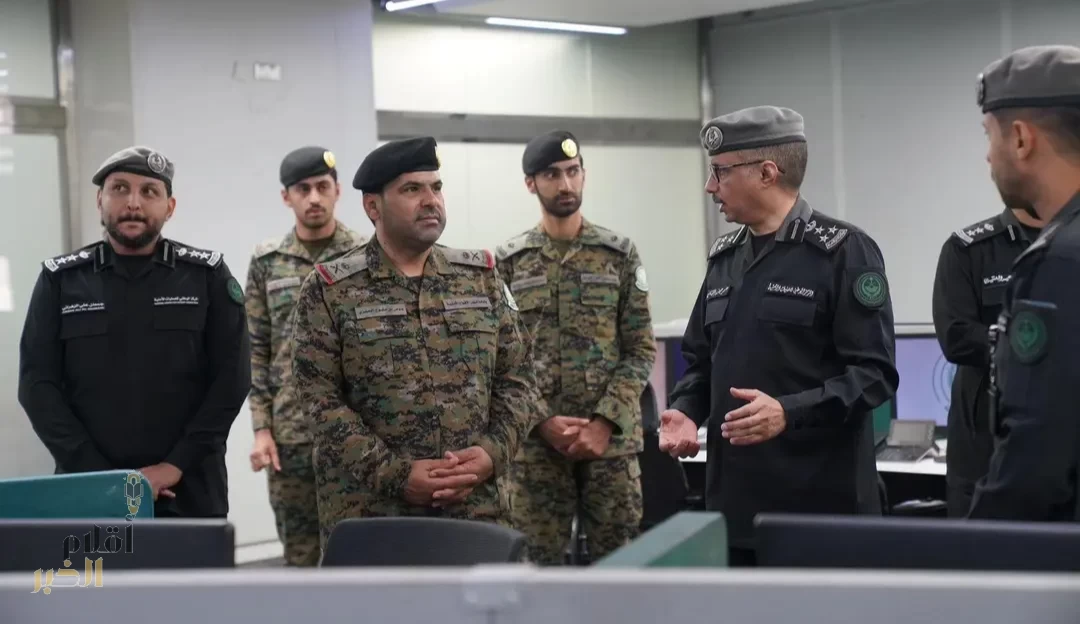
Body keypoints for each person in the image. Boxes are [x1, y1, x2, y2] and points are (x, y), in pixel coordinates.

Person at [658, 107, 899, 565]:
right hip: (735, 512)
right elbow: (701, 361)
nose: (710, 187)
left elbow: (874, 375)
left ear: (767, 173)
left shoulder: (843, 252)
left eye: (720, 172)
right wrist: (686, 411)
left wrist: (789, 412)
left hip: (820, 514)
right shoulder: (725, 259)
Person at [290, 136, 540, 546]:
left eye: (436, 188)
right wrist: (397, 475)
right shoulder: (330, 289)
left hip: (476, 508)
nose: (430, 201)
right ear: (373, 207)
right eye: (412, 189)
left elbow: (520, 379)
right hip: (373, 514)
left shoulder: (480, 278)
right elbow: (318, 400)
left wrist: (490, 454)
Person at [18, 146, 251, 517]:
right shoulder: (60, 281)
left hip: (188, 490)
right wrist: (98, 474)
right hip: (89, 490)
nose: (133, 203)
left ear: (170, 207)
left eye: (149, 191)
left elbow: (231, 382)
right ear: (99, 200)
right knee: (93, 561)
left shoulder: (207, 277)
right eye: (120, 188)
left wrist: (174, 465)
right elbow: (37, 386)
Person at [494, 131, 656, 565]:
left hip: (611, 446)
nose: (565, 184)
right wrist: (542, 421)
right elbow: (502, 361)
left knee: (619, 566)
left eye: (573, 171)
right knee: (533, 567)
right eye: (552, 175)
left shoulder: (618, 254)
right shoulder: (508, 261)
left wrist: (604, 422)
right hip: (536, 448)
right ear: (531, 183)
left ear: (584, 174)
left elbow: (640, 349)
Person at [967, 45, 1080, 521]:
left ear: (1020, 139)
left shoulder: (1057, 262)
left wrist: (972, 546)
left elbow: (1036, 458)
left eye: (988, 135)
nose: (987, 156)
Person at [245, 146, 366, 566]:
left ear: (337, 191)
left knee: (357, 557)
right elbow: (255, 349)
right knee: (299, 558)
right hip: (291, 435)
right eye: (303, 189)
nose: (314, 197)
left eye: (322, 187)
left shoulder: (364, 255)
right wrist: (262, 429)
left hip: (357, 433)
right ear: (287, 197)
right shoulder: (268, 262)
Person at [932, 207, 1043, 517]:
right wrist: (1038, 344)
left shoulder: (1070, 243)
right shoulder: (969, 249)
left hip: (1062, 447)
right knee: (978, 543)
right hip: (983, 449)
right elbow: (956, 337)